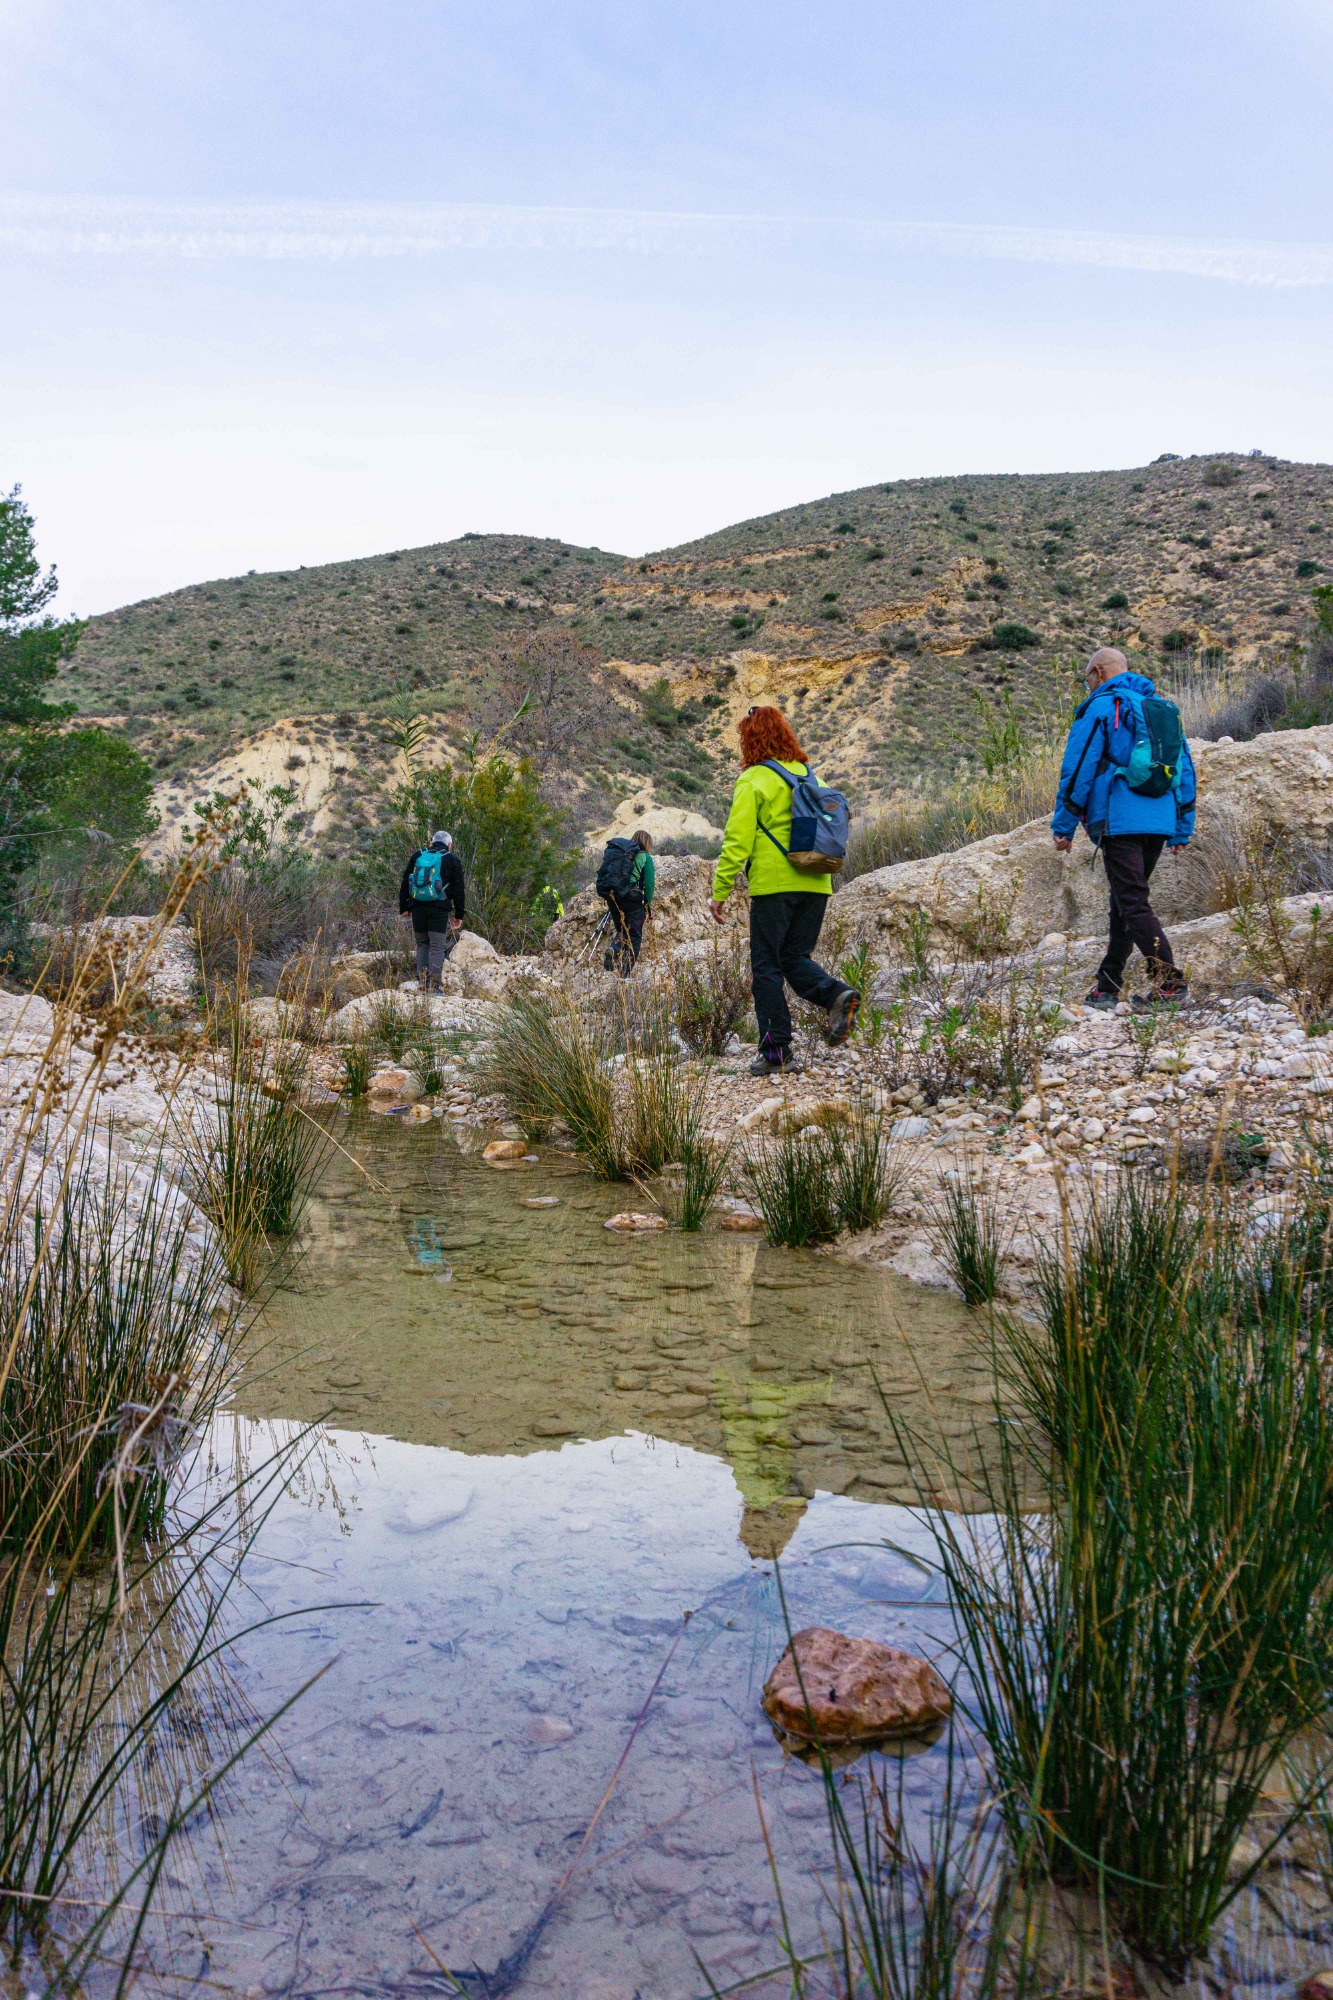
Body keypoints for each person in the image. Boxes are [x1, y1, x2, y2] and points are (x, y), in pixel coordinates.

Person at [709, 705, 860, 1075]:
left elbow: (736, 843)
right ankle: (836, 994)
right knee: (794, 957)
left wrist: (720, 891)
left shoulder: (754, 779)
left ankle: (776, 1052)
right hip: (818, 880)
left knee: (766, 967)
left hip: (775, 885)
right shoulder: (810, 776)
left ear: (751, 740)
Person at [1051, 646, 1196, 1009]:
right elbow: (1185, 770)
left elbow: (1078, 769)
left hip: (1120, 820)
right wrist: (1182, 825)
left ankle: (1170, 984)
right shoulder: (1161, 710)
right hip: (1159, 821)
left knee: (1132, 902)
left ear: (1098, 672)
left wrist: (1064, 825)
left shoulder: (1101, 707)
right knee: (1123, 903)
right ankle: (1107, 987)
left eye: (1087, 677)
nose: (1087, 684)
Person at [399, 829, 466, 991]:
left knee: (422, 944)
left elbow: (406, 880)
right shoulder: (452, 859)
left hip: (417, 906)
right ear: (449, 845)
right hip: (439, 908)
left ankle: (422, 982)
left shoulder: (418, 855)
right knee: (436, 946)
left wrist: (404, 906)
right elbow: (459, 889)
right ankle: (434, 987)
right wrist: (458, 914)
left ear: (432, 842)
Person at [600, 828, 654, 974]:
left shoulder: (624, 855)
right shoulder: (645, 858)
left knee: (624, 930)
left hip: (614, 898)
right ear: (647, 843)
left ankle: (614, 949)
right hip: (632, 899)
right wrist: (647, 907)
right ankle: (625, 974)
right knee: (635, 937)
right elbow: (649, 884)